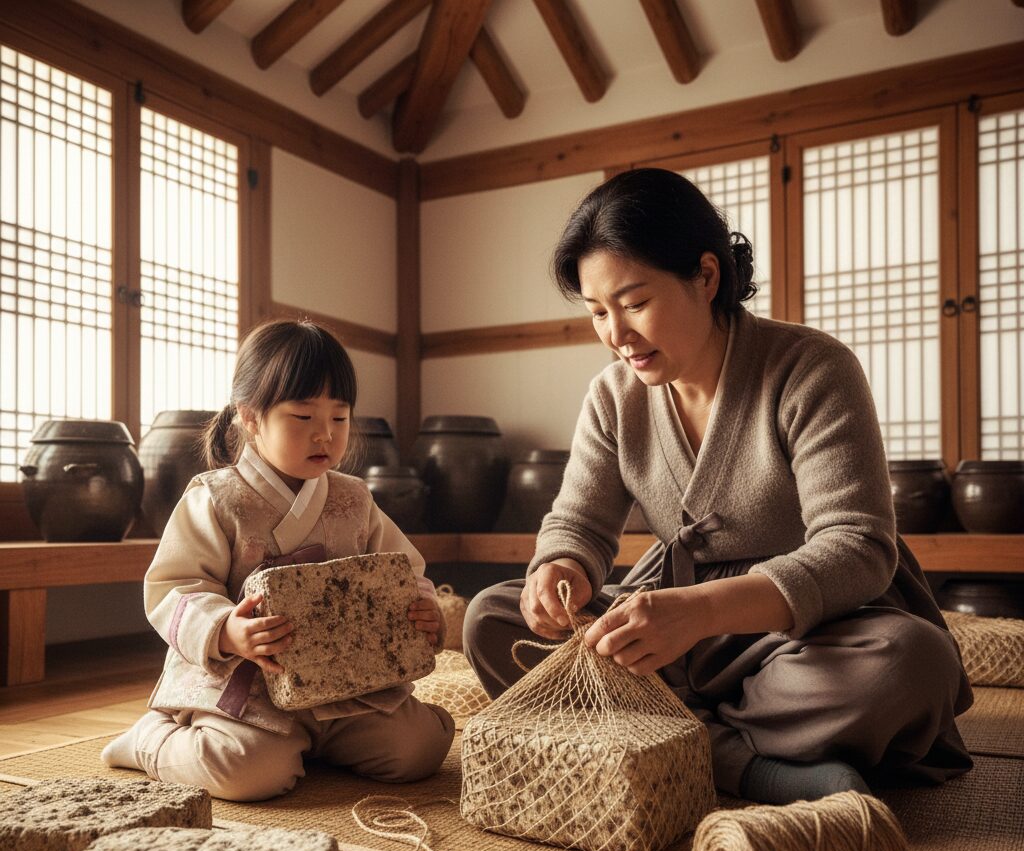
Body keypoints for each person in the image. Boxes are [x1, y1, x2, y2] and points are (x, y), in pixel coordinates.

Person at [463, 167, 972, 806]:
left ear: (705, 277)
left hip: (805, 631)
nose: (616, 335)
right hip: (667, 622)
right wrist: (558, 570)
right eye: (598, 312)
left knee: (909, 664)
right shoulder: (612, 397)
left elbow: (858, 547)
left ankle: (672, 738)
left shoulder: (812, 369)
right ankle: (743, 761)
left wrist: (700, 613)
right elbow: (580, 523)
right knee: (492, 619)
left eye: (635, 302)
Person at [102, 320, 455, 801]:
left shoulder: (353, 498)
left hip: (345, 682)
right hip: (249, 689)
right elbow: (174, 586)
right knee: (249, 773)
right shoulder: (218, 498)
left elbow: (403, 570)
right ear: (249, 418)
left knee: (420, 749)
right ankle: (151, 740)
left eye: (340, 417)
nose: (325, 436)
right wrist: (226, 630)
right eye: (304, 418)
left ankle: (311, 743)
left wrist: (422, 609)